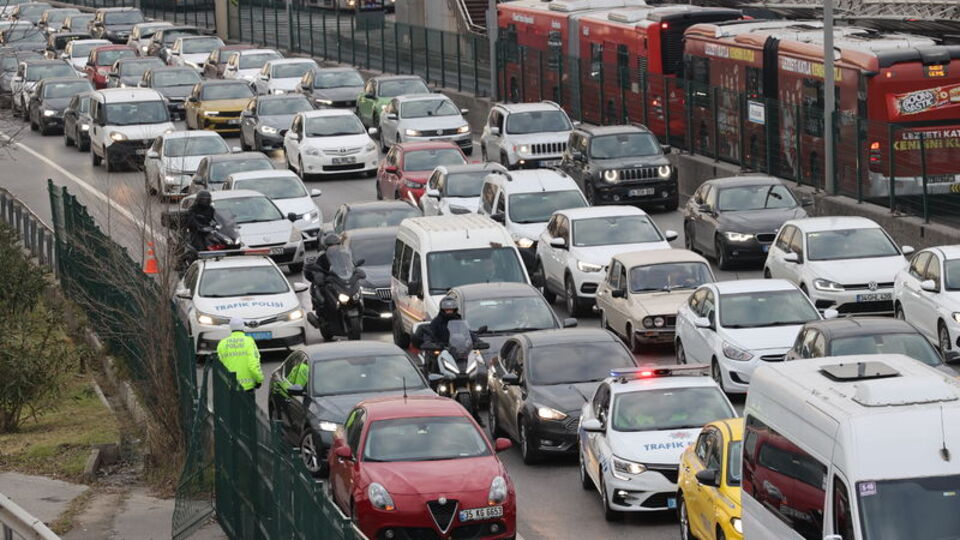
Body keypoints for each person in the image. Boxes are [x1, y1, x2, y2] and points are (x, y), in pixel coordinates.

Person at [216, 317, 263, 393]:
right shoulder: (249, 341)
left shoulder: (222, 343)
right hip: (247, 387)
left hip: (229, 386)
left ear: (230, 327)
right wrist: (259, 379)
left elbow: (219, 365)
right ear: (243, 327)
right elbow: (253, 365)